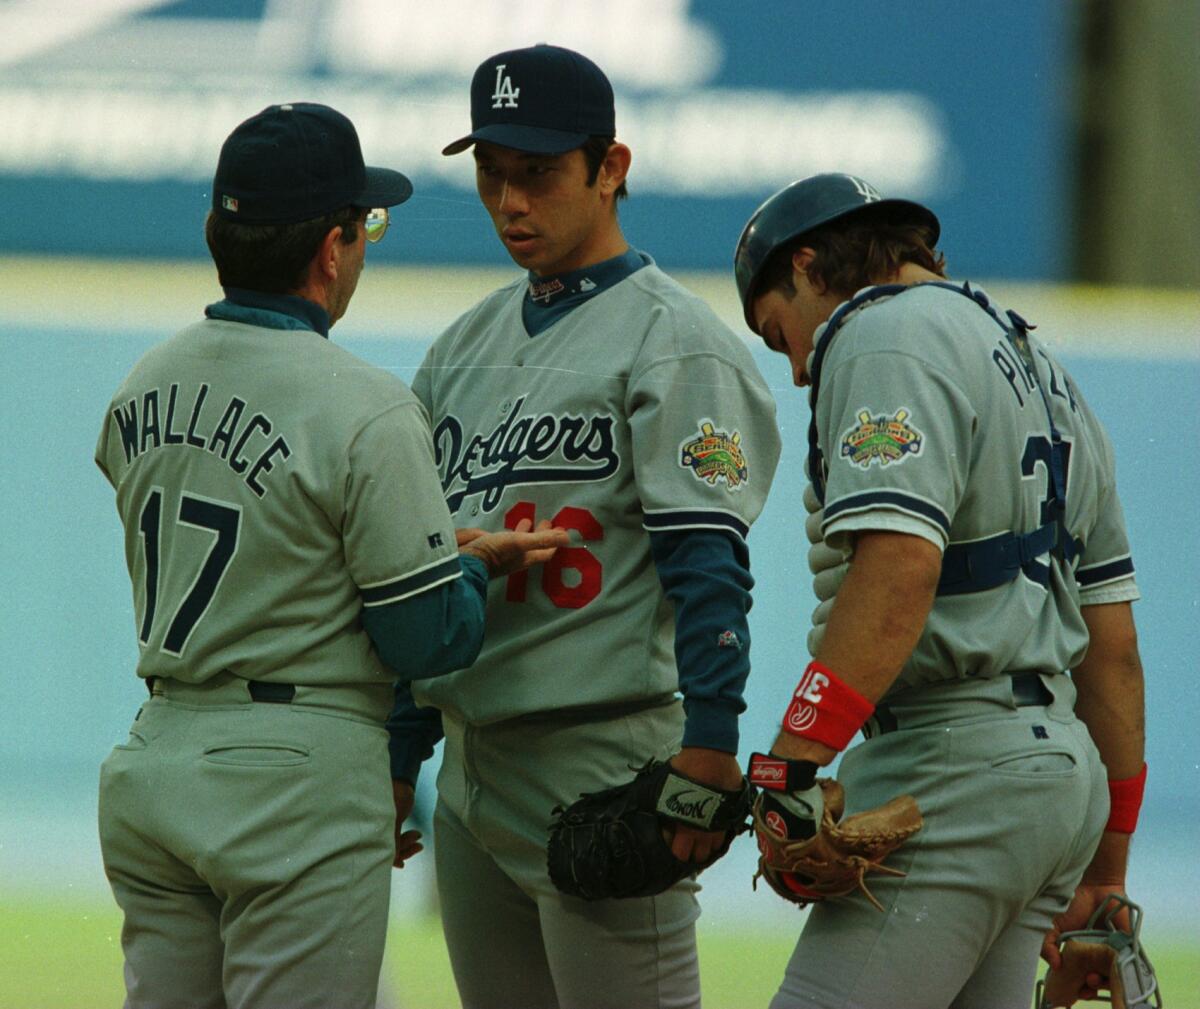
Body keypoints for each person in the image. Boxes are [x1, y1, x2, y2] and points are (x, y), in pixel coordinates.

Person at [94, 102, 567, 1009]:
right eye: (365, 225)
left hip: (155, 753)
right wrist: (470, 566)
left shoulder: (139, 384)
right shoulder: (366, 405)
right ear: (332, 249)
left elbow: (267, 542)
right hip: (292, 776)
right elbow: (426, 638)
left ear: (216, 233)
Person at [389, 44, 782, 1009]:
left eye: (538, 172)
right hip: (474, 769)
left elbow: (707, 568)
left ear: (612, 169)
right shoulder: (461, 349)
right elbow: (417, 570)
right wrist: (401, 757)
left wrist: (710, 743)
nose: (509, 200)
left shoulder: (673, 340)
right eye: (491, 172)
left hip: (604, 756)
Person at [733, 173, 1148, 1009]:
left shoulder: (879, 334)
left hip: (955, 769)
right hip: (1057, 774)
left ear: (810, 266)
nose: (799, 368)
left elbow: (897, 571)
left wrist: (792, 761)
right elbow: (1114, 650)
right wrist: (1105, 869)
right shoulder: (1044, 367)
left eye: (781, 336)